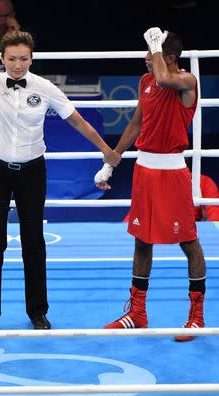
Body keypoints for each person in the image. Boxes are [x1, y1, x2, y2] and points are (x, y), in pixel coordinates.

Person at [0, 30, 120, 330]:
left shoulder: (45, 87)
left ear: (31, 58)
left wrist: (106, 150)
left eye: (23, 58)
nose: (17, 64)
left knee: (34, 242)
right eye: (12, 59)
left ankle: (37, 311)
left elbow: (77, 120)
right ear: (2, 59)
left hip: (32, 171)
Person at [94, 27, 206, 341]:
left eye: (151, 52)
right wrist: (112, 159)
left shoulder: (186, 82)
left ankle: (197, 317)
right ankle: (137, 313)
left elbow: (165, 78)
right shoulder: (145, 81)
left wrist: (156, 45)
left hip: (172, 174)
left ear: (169, 57)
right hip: (145, 170)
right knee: (142, 240)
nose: (146, 58)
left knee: (188, 242)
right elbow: (137, 123)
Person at [123, 172, 219, 222]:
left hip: (191, 237)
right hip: (160, 237)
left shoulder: (204, 183)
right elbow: (132, 219)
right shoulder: (153, 184)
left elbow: (215, 219)